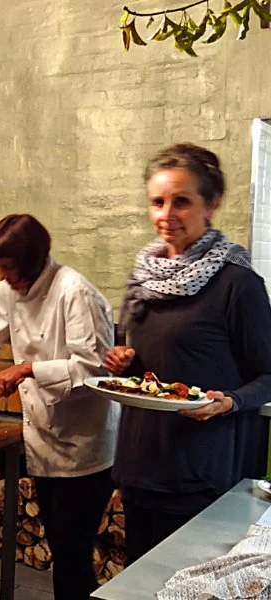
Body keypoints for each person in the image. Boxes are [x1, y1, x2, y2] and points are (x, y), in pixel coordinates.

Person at [104, 143, 271, 564]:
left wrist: (230, 401)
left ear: (211, 204)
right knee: (140, 583)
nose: (166, 214)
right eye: (157, 202)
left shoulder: (238, 284)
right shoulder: (144, 276)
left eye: (181, 201)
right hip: (141, 466)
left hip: (202, 475)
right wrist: (123, 362)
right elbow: (148, 371)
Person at [0, 214, 119, 600]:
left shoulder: (74, 291)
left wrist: (27, 369)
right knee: (62, 549)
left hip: (85, 450)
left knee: (72, 556)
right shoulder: (10, 289)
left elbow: (93, 371)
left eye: (6, 267)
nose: (0, 276)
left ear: (30, 261)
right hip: (43, 441)